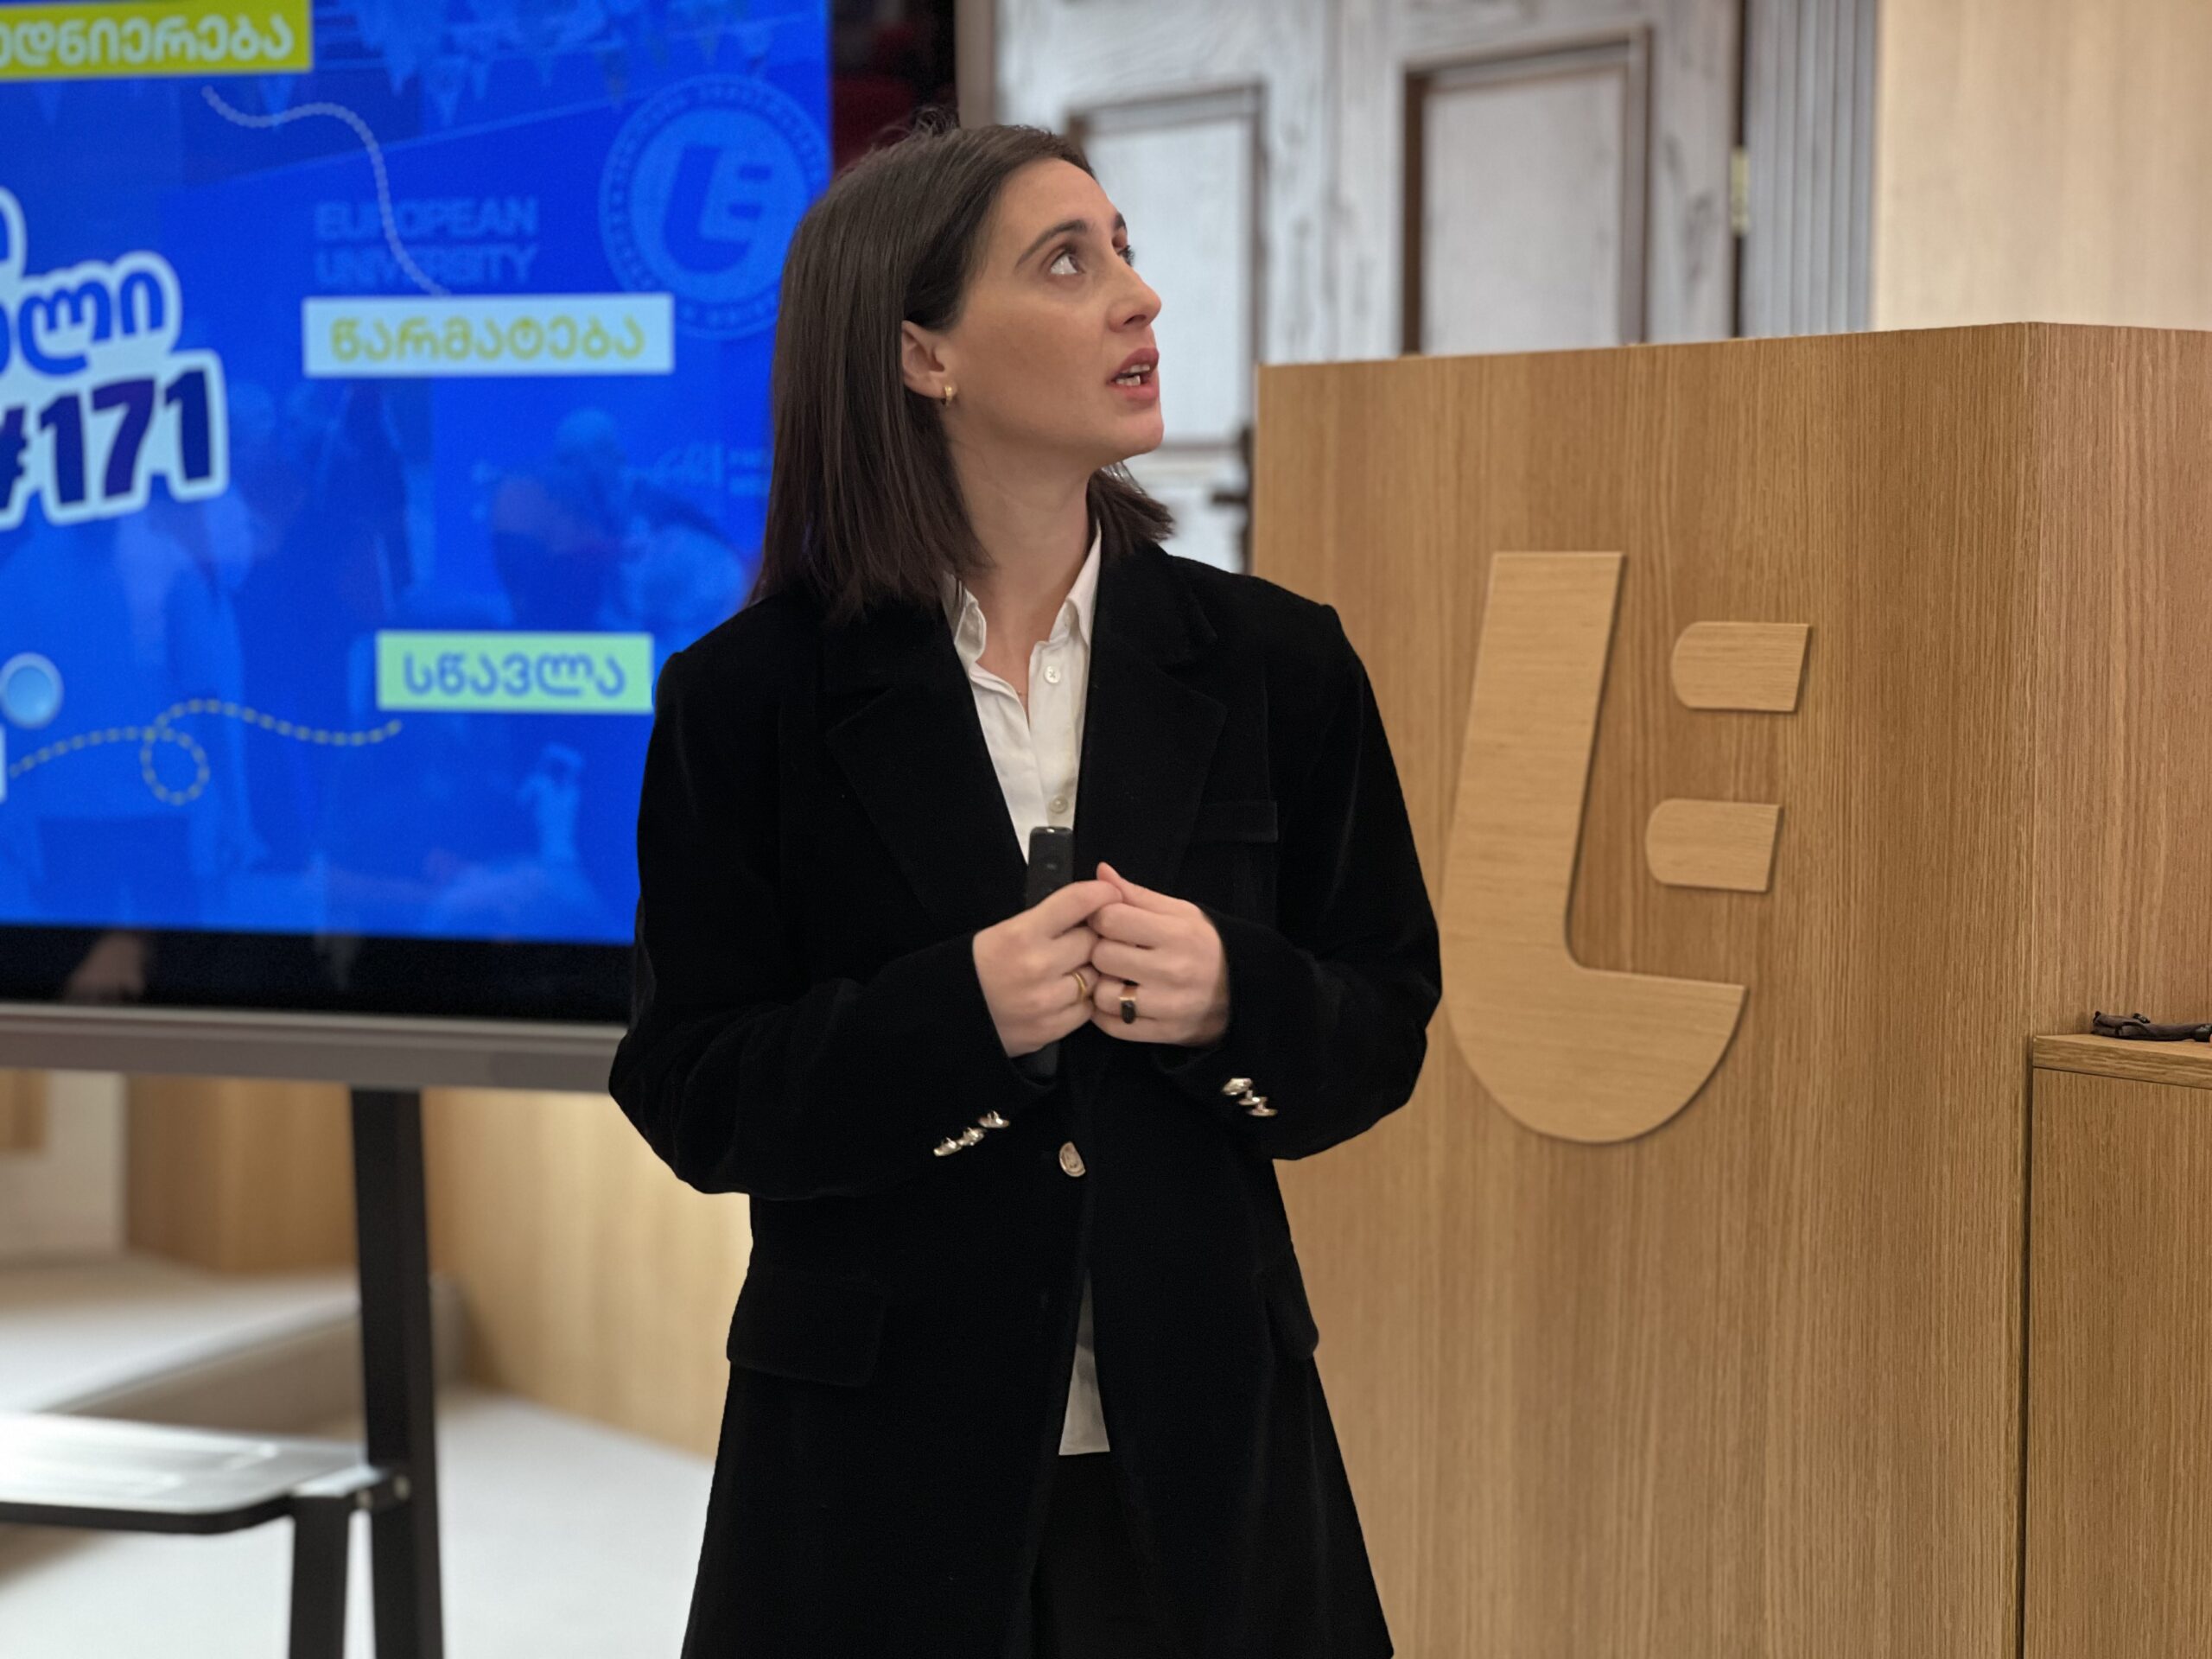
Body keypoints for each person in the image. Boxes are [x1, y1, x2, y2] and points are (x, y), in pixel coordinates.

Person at [606, 111, 1440, 1659]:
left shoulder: (1279, 662)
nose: (1140, 296)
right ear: (922, 352)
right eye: (1067, 263)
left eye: (1123, 249)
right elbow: (690, 1089)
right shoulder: (745, 700)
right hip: (869, 1485)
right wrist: (958, 1019)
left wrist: (1232, 999)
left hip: (1211, 1468)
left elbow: (1382, 1025)